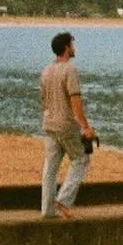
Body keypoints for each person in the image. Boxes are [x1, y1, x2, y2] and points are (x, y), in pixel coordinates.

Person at [39, 30, 97, 219]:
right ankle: (63, 201)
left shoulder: (46, 70)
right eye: (72, 44)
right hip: (66, 125)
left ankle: (47, 209)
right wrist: (86, 127)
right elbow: (75, 101)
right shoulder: (70, 70)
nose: (74, 48)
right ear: (66, 48)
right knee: (81, 160)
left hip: (49, 124)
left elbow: (43, 99)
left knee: (50, 167)